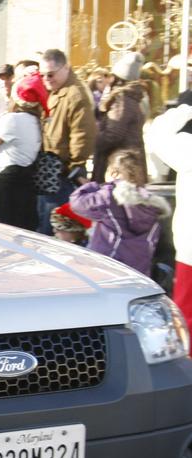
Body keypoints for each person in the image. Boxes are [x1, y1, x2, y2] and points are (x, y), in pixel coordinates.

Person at [68, 148, 169, 276]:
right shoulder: (150, 202)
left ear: (113, 173)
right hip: (140, 271)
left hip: (108, 267)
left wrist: (92, 186)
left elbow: (77, 203)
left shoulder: (109, 196)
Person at [36, 48, 97, 234]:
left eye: (51, 74)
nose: (46, 79)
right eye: (42, 75)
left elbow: (83, 135)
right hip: (52, 168)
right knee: (46, 223)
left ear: (65, 68)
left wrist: (74, 167)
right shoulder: (58, 90)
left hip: (64, 172)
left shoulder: (75, 94)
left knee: (57, 230)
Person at [0, 72, 46, 230]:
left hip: (6, 185)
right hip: (26, 185)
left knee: (0, 232)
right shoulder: (38, 122)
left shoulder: (12, 119)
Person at [146, 99, 192, 320]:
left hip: (190, 252)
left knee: (188, 314)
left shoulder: (187, 149)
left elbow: (156, 134)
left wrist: (185, 108)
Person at [91, 52, 146, 184]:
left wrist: (93, 143)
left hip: (119, 165)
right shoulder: (134, 97)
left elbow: (113, 134)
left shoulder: (122, 99)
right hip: (130, 162)